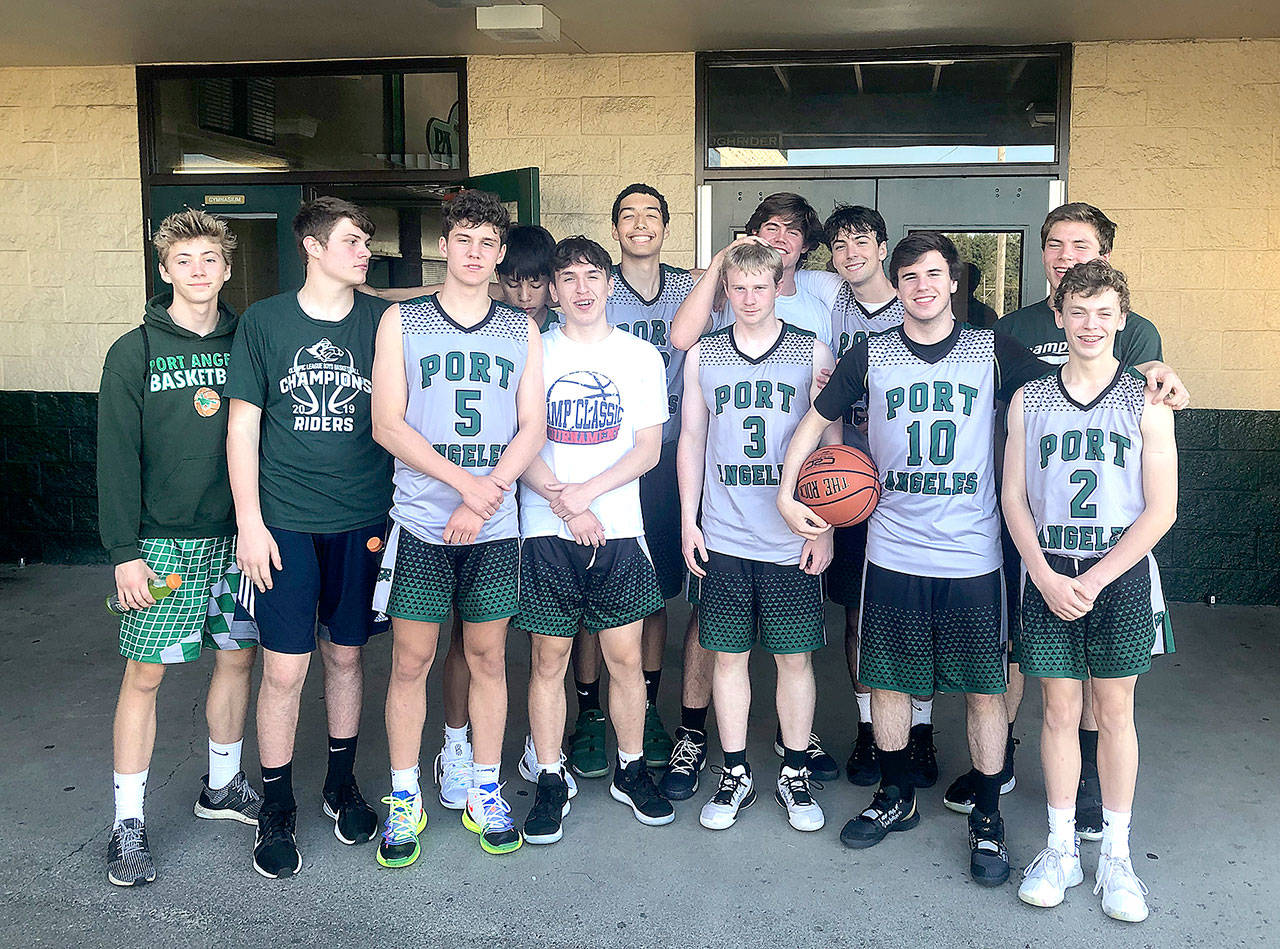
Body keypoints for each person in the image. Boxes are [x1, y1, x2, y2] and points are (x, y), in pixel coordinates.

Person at [778, 232, 1050, 886]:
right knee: (891, 681)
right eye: (910, 276)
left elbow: (1070, 387)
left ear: (952, 281)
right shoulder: (869, 353)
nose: (922, 285)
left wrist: (1145, 380)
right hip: (894, 548)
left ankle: (987, 813)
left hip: (975, 553)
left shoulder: (993, 350)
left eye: (934, 273)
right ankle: (895, 794)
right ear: (895, 286)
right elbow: (815, 420)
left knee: (985, 691)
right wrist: (789, 493)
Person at [943, 202, 1182, 828]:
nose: (1067, 255)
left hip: (1110, 534)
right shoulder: (1013, 330)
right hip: (1033, 510)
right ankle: (1006, 760)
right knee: (1032, 659)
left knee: (1105, 690)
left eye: (1081, 245)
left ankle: (1089, 783)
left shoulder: (1137, 347)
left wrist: (1161, 375)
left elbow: (1146, 392)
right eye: (1054, 243)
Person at [370, 190, 546, 865]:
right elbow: (389, 423)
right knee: (411, 660)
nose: (474, 253)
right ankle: (405, 794)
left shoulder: (518, 329)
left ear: (500, 254)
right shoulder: (404, 322)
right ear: (447, 244)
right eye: (464, 239)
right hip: (421, 521)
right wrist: (462, 485)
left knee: (488, 659)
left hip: (494, 526)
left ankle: (483, 787)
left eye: (487, 243)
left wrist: (488, 491)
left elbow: (531, 425)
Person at [225, 197, 391, 878]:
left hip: (364, 518)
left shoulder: (383, 321)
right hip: (284, 521)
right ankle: (275, 806)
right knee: (285, 668)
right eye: (354, 240)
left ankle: (340, 783)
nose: (365, 251)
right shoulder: (265, 321)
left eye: (367, 241)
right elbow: (241, 427)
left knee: (348, 658)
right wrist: (250, 522)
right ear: (313, 247)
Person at [1005, 260, 1175, 921]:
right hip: (1051, 567)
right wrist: (1046, 575)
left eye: (1105, 312)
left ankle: (1118, 857)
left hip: (1120, 572)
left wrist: (1096, 577)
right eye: (1079, 311)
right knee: (1055, 710)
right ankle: (1060, 848)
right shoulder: (1031, 398)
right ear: (1059, 315)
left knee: (1115, 711)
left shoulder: (1147, 400)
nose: (1091, 324)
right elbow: (1013, 496)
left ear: (1123, 320)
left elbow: (1161, 508)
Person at [98, 209, 261, 886]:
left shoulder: (247, 341)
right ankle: (126, 821)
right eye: (184, 260)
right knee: (146, 673)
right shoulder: (134, 349)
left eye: (210, 259)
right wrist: (122, 549)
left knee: (236, 657)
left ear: (227, 268)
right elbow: (115, 455)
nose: (198, 270)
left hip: (238, 536)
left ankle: (221, 784)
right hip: (161, 547)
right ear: (164, 270)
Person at [670, 191, 840, 785]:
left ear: (777, 287)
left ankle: (793, 771)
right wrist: (689, 521)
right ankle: (736, 770)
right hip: (724, 531)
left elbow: (831, 449)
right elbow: (691, 440)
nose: (748, 298)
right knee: (728, 657)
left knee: (795, 658)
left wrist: (827, 531)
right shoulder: (704, 356)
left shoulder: (811, 351)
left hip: (790, 536)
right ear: (727, 291)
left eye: (758, 288)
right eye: (737, 288)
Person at [517, 236, 675, 844]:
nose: (581, 288)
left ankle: (631, 769)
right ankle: (552, 777)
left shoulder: (639, 356)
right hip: (544, 530)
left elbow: (647, 446)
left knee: (626, 659)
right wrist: (564, 500)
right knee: (548, 660)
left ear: (610, 284)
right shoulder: (531, 350)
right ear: (553, 290)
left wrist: (585, 497)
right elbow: (520, 444)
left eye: (592, 276)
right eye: (568, 278)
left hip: (620, 529)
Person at [568, 184, 697, 782]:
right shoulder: (595, 285)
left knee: (652, 590)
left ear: (667, 226)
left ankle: (644, 707)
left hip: (666, 456)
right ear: (615, 227)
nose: (639, 223)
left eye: (651, 214)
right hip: (599, 461)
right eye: (627, 214)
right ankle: (590, 713)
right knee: (593, 589)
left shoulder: (691, 288)